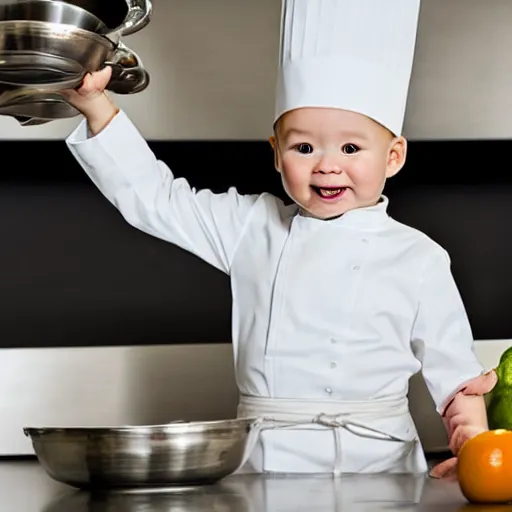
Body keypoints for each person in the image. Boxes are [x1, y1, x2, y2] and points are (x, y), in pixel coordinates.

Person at [60, 0, 496, 476]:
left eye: (351, 148)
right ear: (275, 153)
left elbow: (455, 378)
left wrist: (470, 442)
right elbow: (156, 199)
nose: (327, 164)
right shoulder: (252, 226)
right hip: (265, 464)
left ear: (393, 157)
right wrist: (95, 104)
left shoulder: (420, 258)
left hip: (382, 465)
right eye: (304, 147)